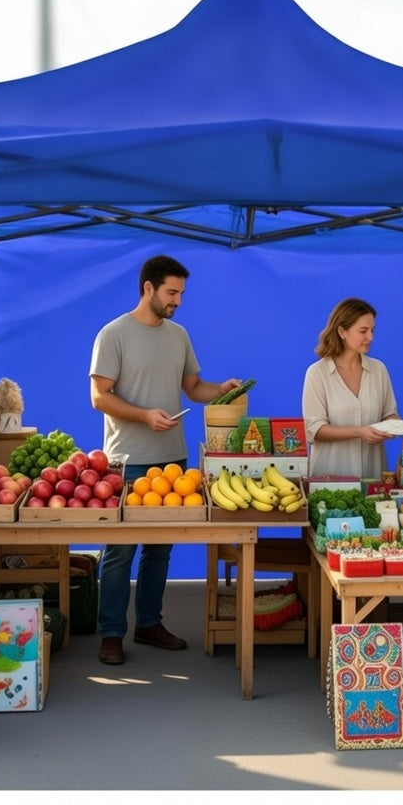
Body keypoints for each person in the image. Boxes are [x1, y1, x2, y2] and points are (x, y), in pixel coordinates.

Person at [89, 255, 241, 666]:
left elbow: (193, 388)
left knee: (160, 551)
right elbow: (99, 396)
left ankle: (149, 624)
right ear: (148, 289)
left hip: (172, 457)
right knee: (120, 551)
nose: (178, 300)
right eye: (172, 292)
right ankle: (111, 633)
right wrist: (143, 415)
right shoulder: (113, 334)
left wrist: (221, 388)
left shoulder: (179, 335)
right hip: (128, 458)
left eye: (182, 294)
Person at [302, 297, 401, 479]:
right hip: (329, 478)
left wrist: (397, 427)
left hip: (373, 476)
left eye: (372, 330)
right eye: (363, 331)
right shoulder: (317, 373)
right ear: (342, 331)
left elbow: (390, 414)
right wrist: (359, 432)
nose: (370, 337)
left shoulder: (378, 370)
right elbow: (314, 429)